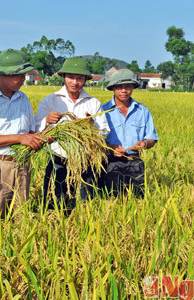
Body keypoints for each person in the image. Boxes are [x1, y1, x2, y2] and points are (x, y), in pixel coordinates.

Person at [0, 49, 46, 217]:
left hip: (22, 165)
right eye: (17, 75)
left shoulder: (23, 98)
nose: (22, 79)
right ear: (2, 75)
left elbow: (30, 131)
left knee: (21, 216)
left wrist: (44, 134)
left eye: (24, 75)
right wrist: (20, 138)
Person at [34, 57, 109, 209]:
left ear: (86, 79)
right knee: (53, 207)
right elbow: (35, 130)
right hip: (58, 163)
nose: (75, 82)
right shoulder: (50, 101)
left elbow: (104, 131)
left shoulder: (93, 103)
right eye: (71, 77)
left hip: (85, 164)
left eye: (80, 78)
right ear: (63, 77)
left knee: (85, 208)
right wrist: (47, 120)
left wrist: (91, 126)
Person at [99, 69, 159, 197]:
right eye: (119, 87)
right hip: (110, 163)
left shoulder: (143, 111)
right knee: (111, 202)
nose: (124, 90)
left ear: (133, 88)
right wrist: (110, 147)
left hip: (135, 163)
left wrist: (144, 143)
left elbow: (151, 139)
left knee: (137, 202)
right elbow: (95, 140)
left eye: (128, 87)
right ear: (113, 88)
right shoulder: (102, 111)